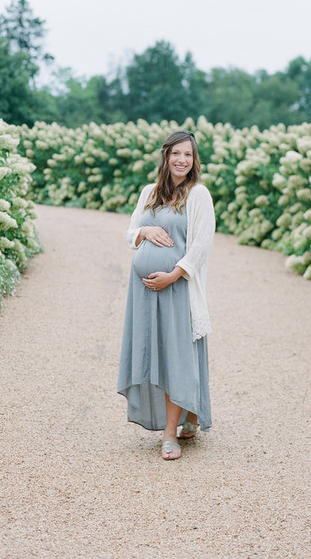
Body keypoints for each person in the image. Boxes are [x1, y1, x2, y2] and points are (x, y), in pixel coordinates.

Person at [117, 129, 215, 460]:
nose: (181, 160)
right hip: (144, 295)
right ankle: (189, 415)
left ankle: (170, 434)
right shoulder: (149, 192)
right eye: (176, 154)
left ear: (194, 160)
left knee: (176, 357)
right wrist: (144, 231)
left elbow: (201, 245)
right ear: (166, 157)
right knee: (155, 353)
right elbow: (130, 232)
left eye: (188, 155)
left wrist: (172, 275)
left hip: (177, 289)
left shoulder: (198, 195)